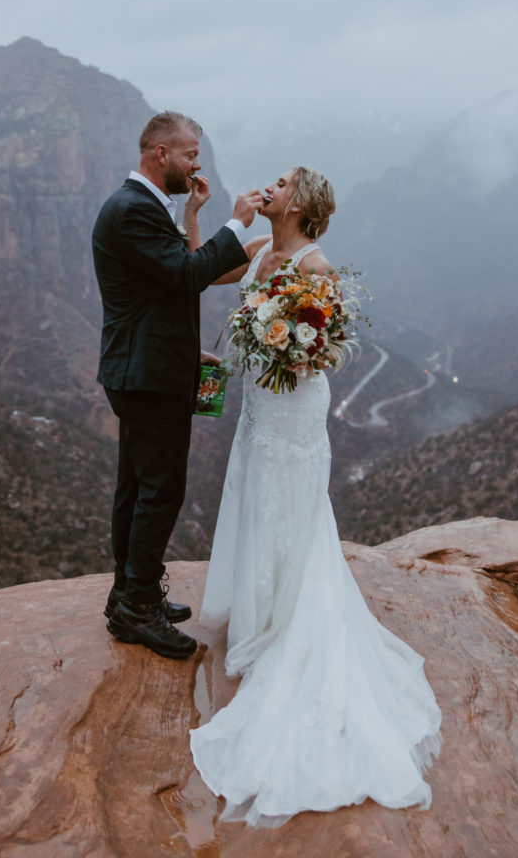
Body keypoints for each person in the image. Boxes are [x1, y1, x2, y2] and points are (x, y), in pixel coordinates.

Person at [185, 166, 442, 826]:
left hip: (292, 408)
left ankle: (284, 618)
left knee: (287, 502)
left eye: (284, 181)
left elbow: (317, 352)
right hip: (256, 407)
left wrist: (276, 340)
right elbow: (191, 268)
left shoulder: (314, 263)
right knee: (253, 492)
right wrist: (199, 211)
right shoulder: (253, 250)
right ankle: (256, 608)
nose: (270, 184)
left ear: (304, 204)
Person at [92, 111, 263, 660]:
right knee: (159, 491)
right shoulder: (131, 210)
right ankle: (138, 608)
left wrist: (190, 213)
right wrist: (235, 225)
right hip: (147, 377)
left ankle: (128, 595)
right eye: (191, 155)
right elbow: (189, 276)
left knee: (135, 488)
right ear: (160, 154)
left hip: (147, 367)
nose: (196, 166)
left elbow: (161, 290)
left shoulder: (143, 206)